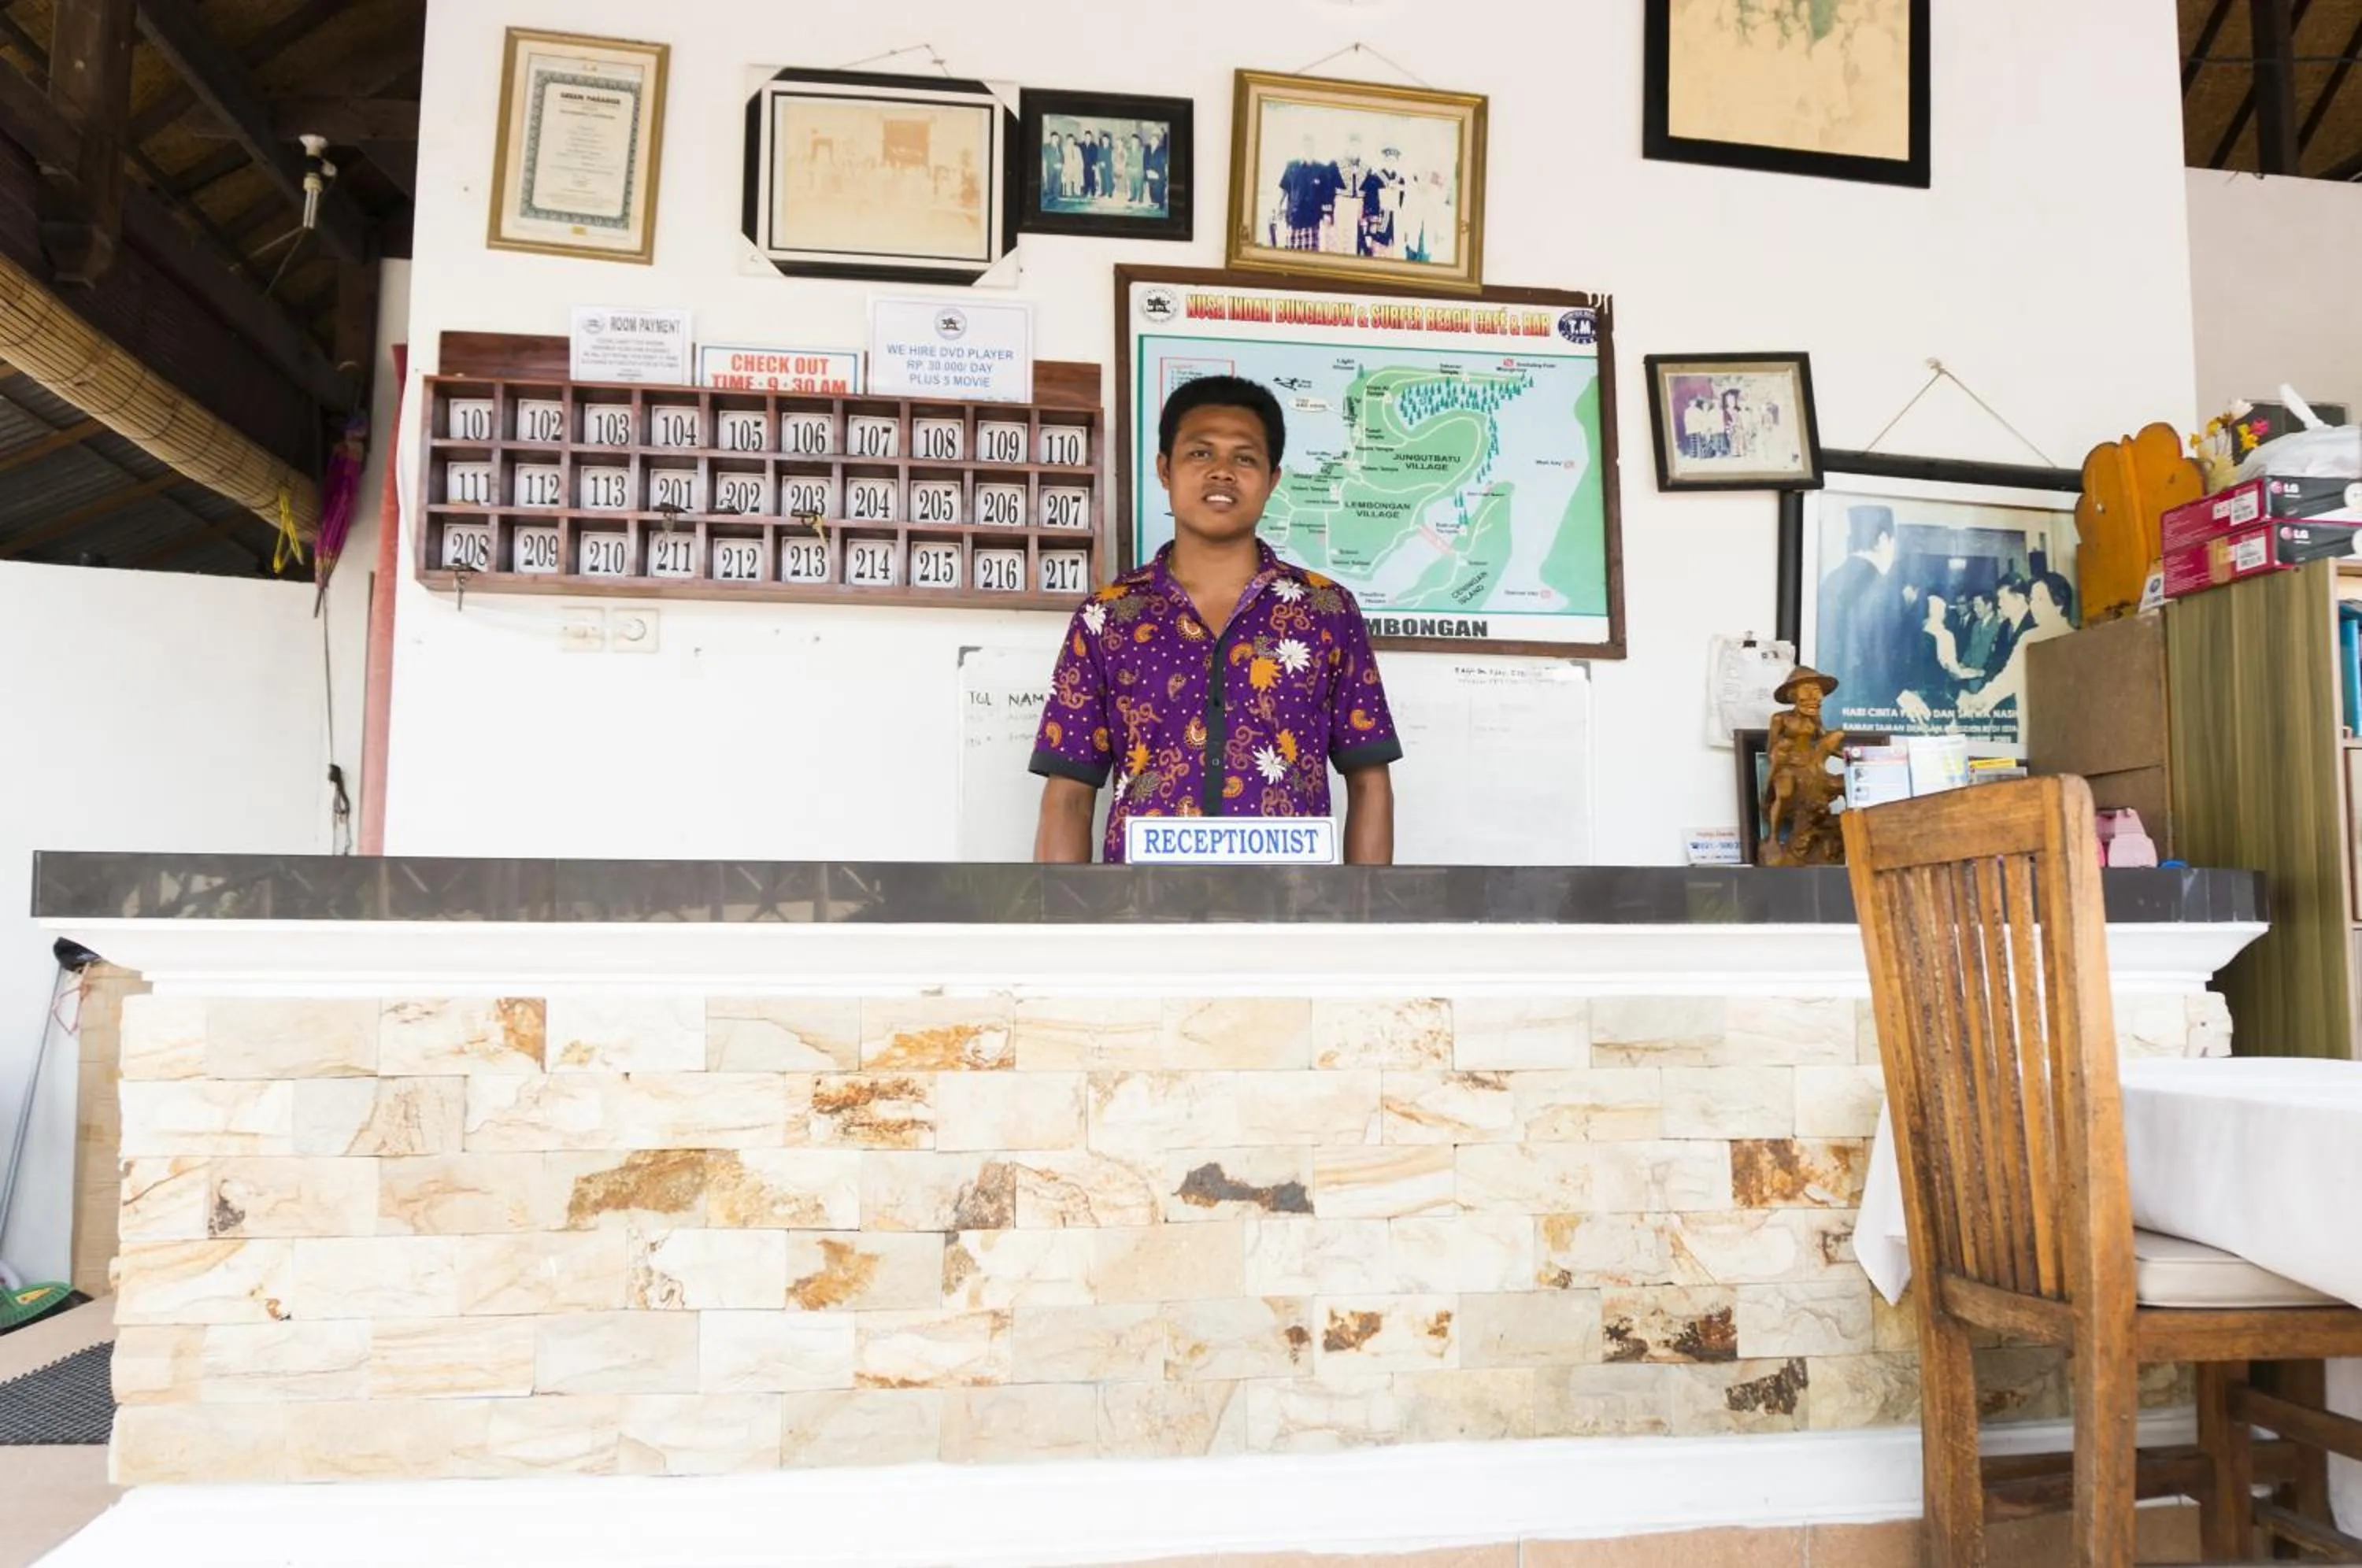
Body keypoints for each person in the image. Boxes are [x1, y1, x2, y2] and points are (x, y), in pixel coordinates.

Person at [1031, 375, 1400, 864]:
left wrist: (1360, 925)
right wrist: (1064, 932)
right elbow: (1070, 795)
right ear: (1165, 470)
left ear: (1272, 481)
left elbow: (1370, 783)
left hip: (1293, 919)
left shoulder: (1326, 612)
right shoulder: (1107, 618)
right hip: (1143, 918)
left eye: (1244, 458)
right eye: (1201, 454)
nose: (1222, 472)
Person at [1816, 505, 1909, 715]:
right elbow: (1878, 655)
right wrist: (1899, 694)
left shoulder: (1831, 581)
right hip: (1870, 705)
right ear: (1884, 539)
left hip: (1831, 702)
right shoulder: (1881, 586)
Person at [1958, 571, 2075, 719]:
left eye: (2041, 599)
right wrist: (1982, 699)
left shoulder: (2078, 640)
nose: (2033, 606)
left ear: (2060, 604)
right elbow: (2009, 677)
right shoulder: (2029, 638)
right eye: (2032, 599)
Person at [1277, 137, 1341, 250]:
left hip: (1311, 223)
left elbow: (1327, 196)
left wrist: (1328, 215)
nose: (1308, 150)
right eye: (1305, 147)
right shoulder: (1292, 166)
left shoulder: (1322, 169)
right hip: (1293, 220)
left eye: (1310, 147)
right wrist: (1278, 206)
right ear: (1301, 148)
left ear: (1314, 149)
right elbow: (1284, 190)